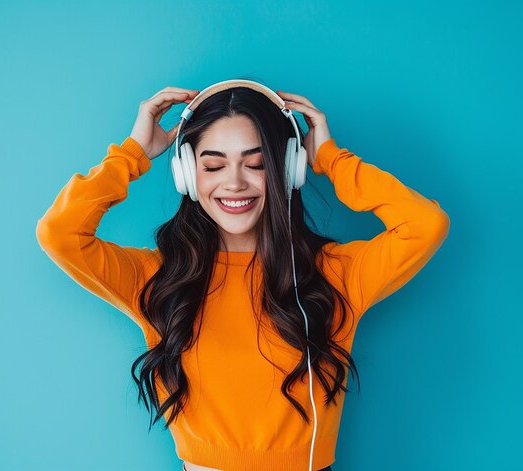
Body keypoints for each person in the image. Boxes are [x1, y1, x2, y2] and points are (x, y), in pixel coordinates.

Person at [35, 81, 450, 471]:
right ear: (186, 175)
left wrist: (329, 158)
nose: (234, 183)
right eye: (213, 166)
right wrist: (133, 153)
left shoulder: (336, 275)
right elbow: (60, 232)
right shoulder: (157, 278)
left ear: (288, 169)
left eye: (256, 164)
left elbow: (424, 224)